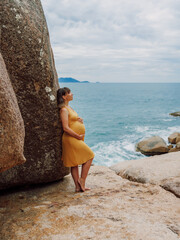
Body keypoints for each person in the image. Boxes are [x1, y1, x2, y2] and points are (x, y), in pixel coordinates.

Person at [57, 87, 95, 192]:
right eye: (69, 93)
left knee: (74, 163)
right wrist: (77, 136)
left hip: (74, 138)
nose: (72, 94)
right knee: (90, 155)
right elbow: (65, 127)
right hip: (71, 138)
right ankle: (82, 180)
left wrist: (79, 120)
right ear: (64, 97)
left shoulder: (69, 108)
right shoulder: (63, 110)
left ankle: (78, 187)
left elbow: (71, 121)